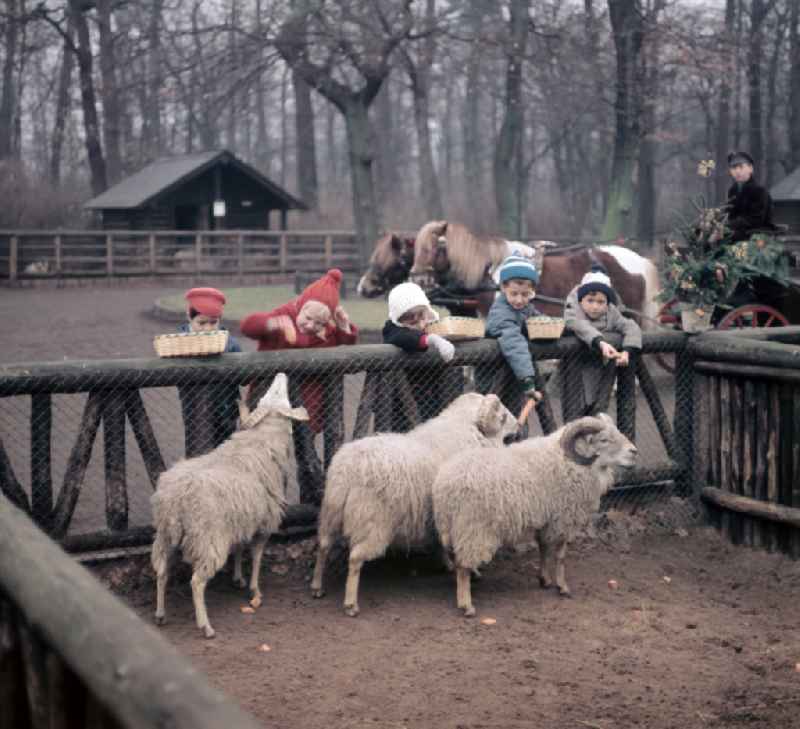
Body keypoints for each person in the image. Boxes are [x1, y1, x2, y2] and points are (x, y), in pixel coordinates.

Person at [240, 269, 358, 503]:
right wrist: (272, 323)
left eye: (319, 322)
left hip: (306, 408)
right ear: (300, 305)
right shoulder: (284, 315)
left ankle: (309, 505)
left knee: (307, 457)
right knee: (270, 458)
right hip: (270, 404)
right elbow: (248, 326)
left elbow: (346, 353)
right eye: (307, 317)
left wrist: (345, 330)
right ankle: (270, 505)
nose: (311, 325)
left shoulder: (327, 332)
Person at [561, 265, 641, 420]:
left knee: (599, 409)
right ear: (581, 300)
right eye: (590, 300)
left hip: (603, 372)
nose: (595, 306)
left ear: (607, 303)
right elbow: (578, 325)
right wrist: (601, 342)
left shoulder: (612, 313)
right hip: (575, 372)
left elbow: (631, 326)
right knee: (574, 413)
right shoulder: (573, 311)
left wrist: (627, 351)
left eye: (601, 302)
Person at [178, 287, 242, 456]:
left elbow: (244, 376)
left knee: (227, 453)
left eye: (213, 323)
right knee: (197, 453)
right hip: (195, 411)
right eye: (201, 323)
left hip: (226, 410)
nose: (208, 329)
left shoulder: (230, 344)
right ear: (189, 317)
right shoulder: (178, 343)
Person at [382, 282, 455, 427]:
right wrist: (430, 339)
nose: (421, 325)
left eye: (422, 315)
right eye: (411, 319)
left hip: (433, 396)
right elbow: (402, 337)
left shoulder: (434, 323)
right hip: (401, 402)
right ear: (398, 317)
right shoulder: (392, 328)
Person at [485, 255, 543, 403]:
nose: (519, 300)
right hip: (493, 376)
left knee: (512, 413)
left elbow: (540, 321)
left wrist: (563, 328)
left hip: (513, 372)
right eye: (514, 293)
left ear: (531, 291)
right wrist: (527, 379)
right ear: (504, 288)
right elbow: (513, 342)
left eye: (525, 294)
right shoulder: (501, 313)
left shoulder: (526, 307)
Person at [726, 151, 776, 241]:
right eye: (733, 168)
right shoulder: (732, 191)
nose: (737, 171)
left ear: (750, 169)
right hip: (738, 230)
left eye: (741, 167)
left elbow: (756, 219)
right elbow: (729, 214)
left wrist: (729, 225)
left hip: (757, 234)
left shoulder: (759, 191)